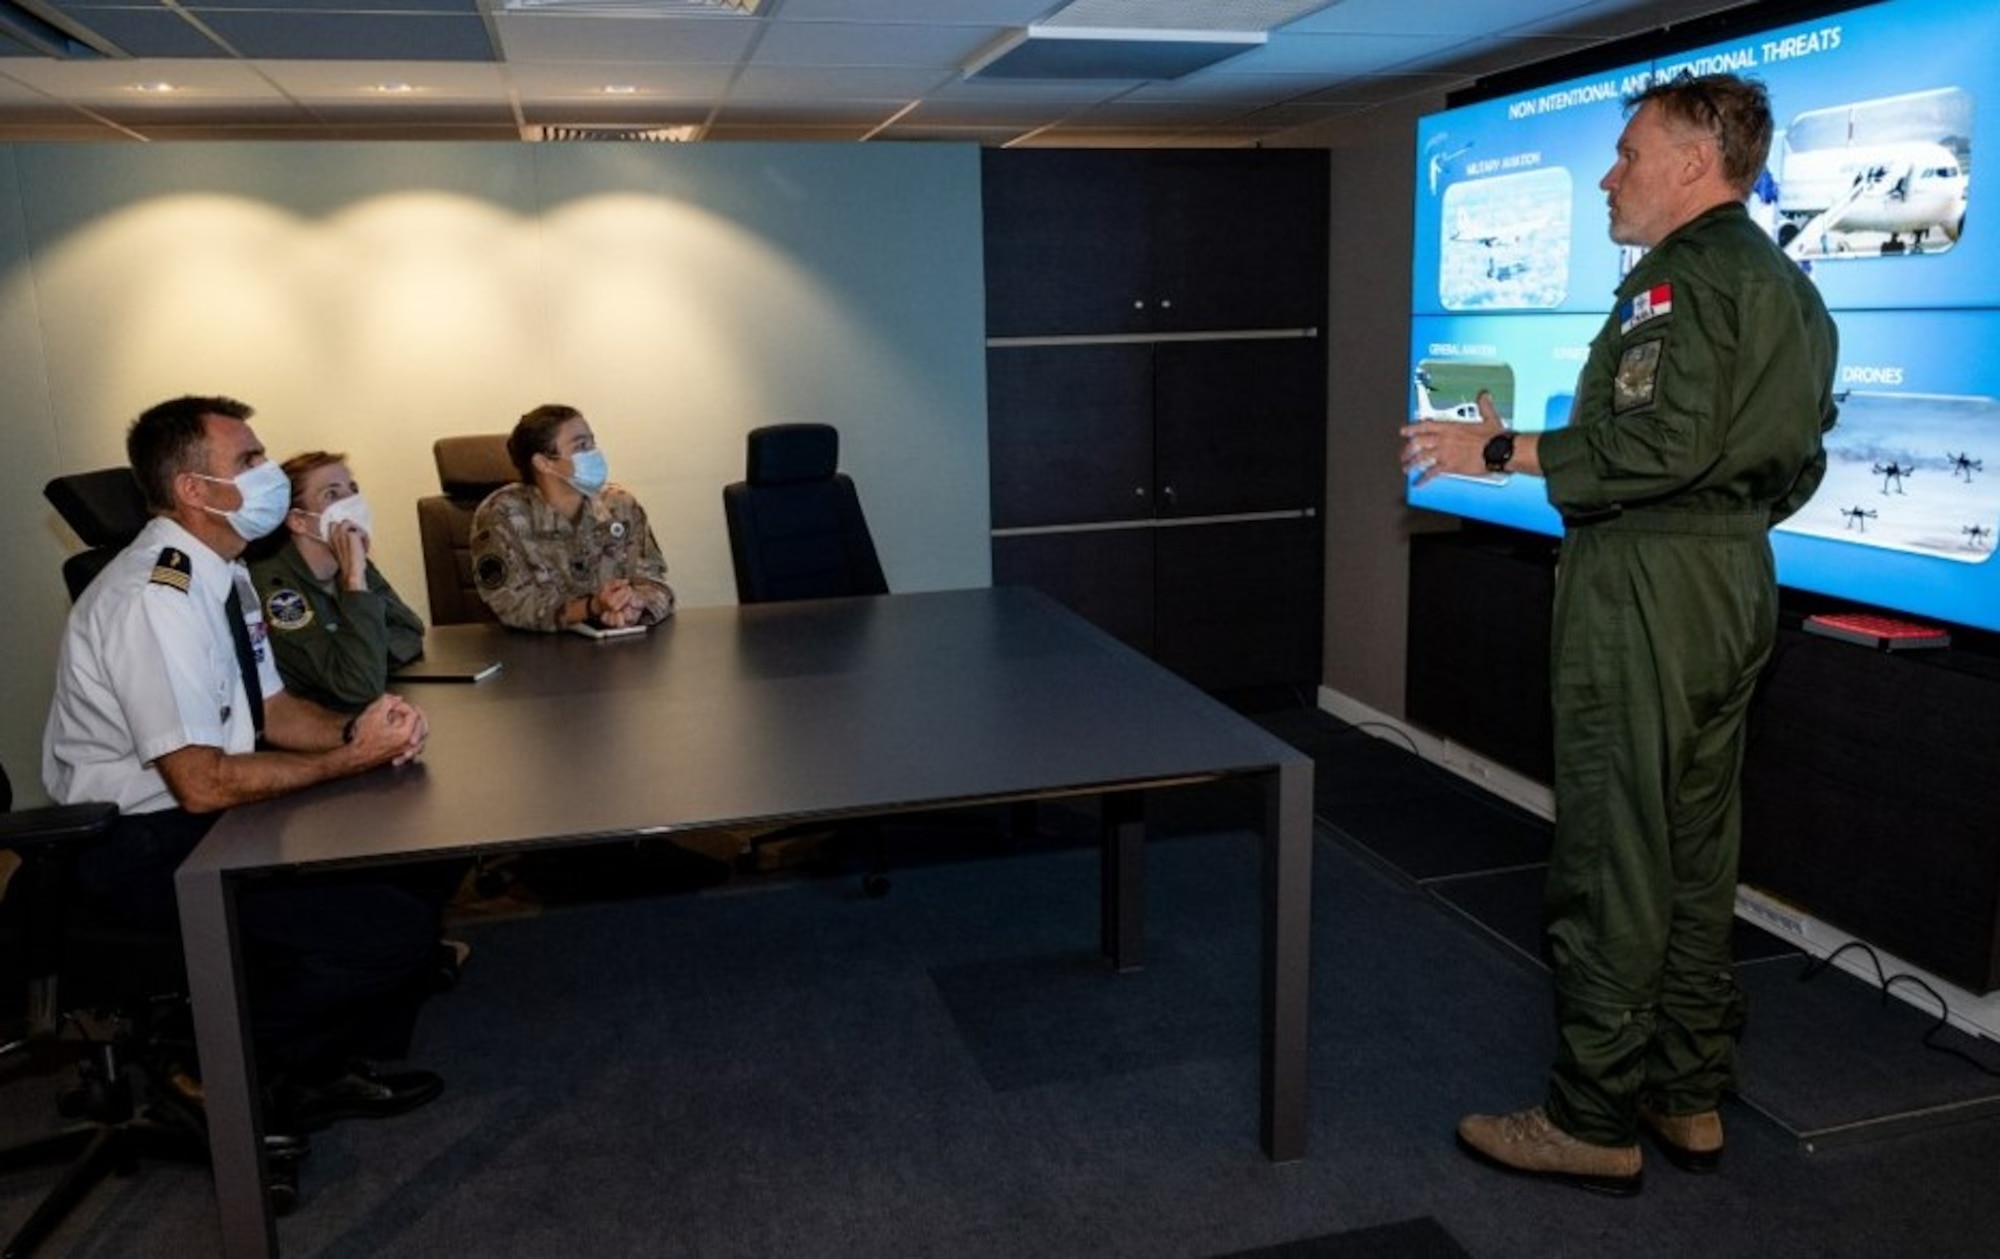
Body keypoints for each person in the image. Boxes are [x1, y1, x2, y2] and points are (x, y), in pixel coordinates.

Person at [1401, 74, 1839, 1193]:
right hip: (1732, 578)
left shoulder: (1677, 287)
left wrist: (1494, 453)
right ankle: (1683, 1089)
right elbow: (1794, 459)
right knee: (1694, 853)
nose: (1606, 174)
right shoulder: (1784, 288)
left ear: (1694, 162)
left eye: (1626, 152)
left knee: (1611, 853)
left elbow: (1654, 447)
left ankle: (1588, 1112)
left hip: (1646, 584)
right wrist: (1712, 527)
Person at [44, 395, 450, 1134]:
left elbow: (272, 712)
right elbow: (199, 782)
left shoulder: (224, 573)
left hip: (202, 814)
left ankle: (311, 1067)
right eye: (250, 462)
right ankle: (206, 1061)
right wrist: (350, 760)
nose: (268, 474)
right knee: (388, 933)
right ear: (195, 491)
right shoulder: (153, 597)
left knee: (415, 857)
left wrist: (360, 732)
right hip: (134, 843)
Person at [470, 403, 675, 632]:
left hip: (619, 650)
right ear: (544, 463)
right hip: (538, 656)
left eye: (592, 443)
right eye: (581, 446)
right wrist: (592, 607)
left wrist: (635, 606)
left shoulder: (620, 505)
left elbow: (655, 581)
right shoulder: (502, 515)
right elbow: (513, 604)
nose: (593, 453)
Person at [250, 451, 426, 713]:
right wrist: (354, 580)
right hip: (308, 729)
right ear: (298, 521)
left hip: (353, 709)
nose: (352, 501)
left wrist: (363, 653)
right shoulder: (274, 587)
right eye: (332, 494)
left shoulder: (348, 557)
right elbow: (358, 684)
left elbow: (411, 629)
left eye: (353, 489)